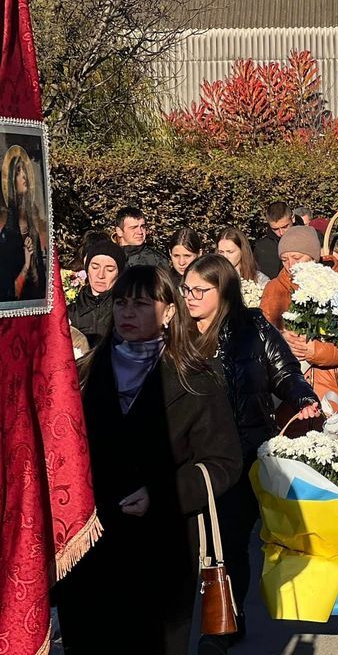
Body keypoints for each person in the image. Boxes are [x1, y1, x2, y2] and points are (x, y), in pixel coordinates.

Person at [54, 266, 242, 655]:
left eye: (141, 304)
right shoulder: (83, 372)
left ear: (169, 312)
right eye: (121, 303)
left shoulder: (196, 379)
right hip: (91, 545)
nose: (127, 313)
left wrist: (162, 494)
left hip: (161, 548)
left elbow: (223, 462)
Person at [180, 254, 319, 650]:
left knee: (230, 540)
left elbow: (284, 372)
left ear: (222, 292)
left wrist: (303, 396)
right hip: (191, 454)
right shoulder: (176, 333)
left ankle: (223, 624)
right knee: (192, 541)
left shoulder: (252, 326)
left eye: (199, 290)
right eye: (186, 288)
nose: (190, 297)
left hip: (242, 450)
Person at [260, 226, 338, 443]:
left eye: (297, 257)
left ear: (313, 256)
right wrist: (280, 339)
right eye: (285, 259)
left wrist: (316, 350)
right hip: (291, 394)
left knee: (337, 463)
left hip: (334, 388)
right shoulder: (274, 289)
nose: (290, 265)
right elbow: (262, 338)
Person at [0, 144, 47, 301]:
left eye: (25, 171)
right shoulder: (8, 232)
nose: (24, 176)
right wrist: (27, 265)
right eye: (18, 173)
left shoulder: (32, 222)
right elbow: (8, 289)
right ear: (11, 180)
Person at [68, 240, 126, 348]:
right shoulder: (69, 313)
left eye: (109, 270)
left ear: (119, 272)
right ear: (87, 269)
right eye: (95, 267)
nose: (100, 275)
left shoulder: (127, 313)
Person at [253, 202, 294, 280]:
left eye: (285, 227)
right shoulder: (261, 246)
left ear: (293, 218)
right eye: (275, 229)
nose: (281, 233)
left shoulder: (311, 238)